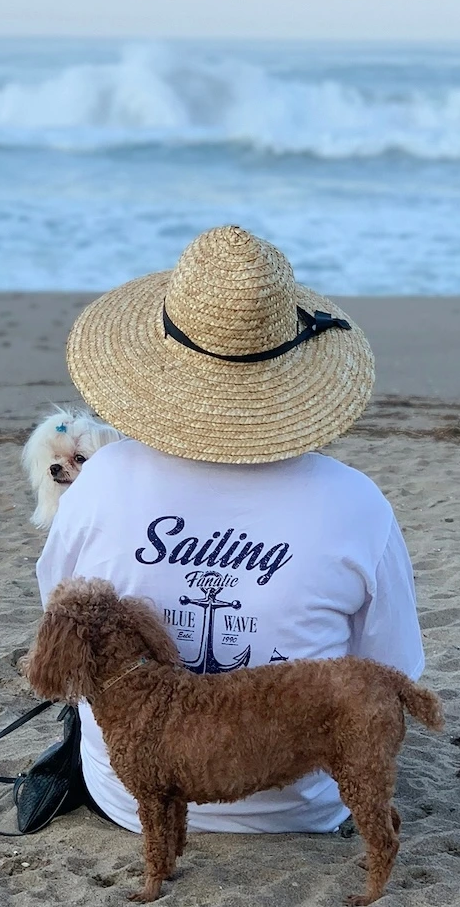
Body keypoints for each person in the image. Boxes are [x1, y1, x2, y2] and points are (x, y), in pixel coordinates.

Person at [36, 224, 425, 834]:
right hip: (304, 804)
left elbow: (60, 612)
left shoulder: (101, 478)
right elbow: (393, 663)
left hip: (128, 797)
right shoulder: (357, 503)